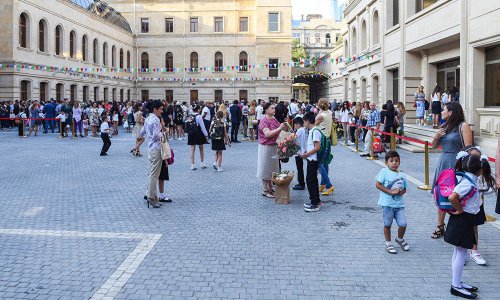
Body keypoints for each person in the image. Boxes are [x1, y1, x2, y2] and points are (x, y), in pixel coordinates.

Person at [444, 154, 491, 299]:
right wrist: (460, 210)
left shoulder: (469, 179)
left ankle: (456, 282)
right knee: (461, 253)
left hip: (464, 220)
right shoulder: (468, 182)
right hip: (463, 219)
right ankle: (456, 286)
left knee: (458, 252)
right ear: (480, 169)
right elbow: (452, 197)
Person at [431, 102, 473, 239]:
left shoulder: (463, 126)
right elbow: (434, 146)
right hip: (443, 162)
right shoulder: (444, 126)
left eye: (444, 110)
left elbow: (469, 148)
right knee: (442, 193)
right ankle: (440, 225)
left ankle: (459, 224)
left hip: (457, 163)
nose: (441, 112)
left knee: (456, 195)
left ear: (451, 112)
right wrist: (437, 136)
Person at [454, 145, 495, 266]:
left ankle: (474, 251)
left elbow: (485, 189)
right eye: (473, 157)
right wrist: (459, 209)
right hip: (464, 207)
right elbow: (454, 195)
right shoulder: (461, 175)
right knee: (462, 229)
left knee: (474, 227)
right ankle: (461, 251)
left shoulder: (479, 173)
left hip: (476, 206)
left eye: (478, 157)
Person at [375, 151, 409, 254]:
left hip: (399, 205)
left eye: (397, 161)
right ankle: (388, 243)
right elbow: (378, 184)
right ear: (386, 163)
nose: (394, 163)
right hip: (387, 205)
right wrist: (390, 191)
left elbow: (405, 189)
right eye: (391, 161)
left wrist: (400, 192)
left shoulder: (402, 175)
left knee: (403, 224)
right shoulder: (384, 172)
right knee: (387, 224)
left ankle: (400, 239)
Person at [139, 100, 165, 209]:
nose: (161, 111)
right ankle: (151, 197)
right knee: (154, 175)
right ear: (155, 109)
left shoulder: (147, 119)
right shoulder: (155, 120)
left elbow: (141, 133)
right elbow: (155, 136)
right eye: (160, 109)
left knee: (151, 173)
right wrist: (164, 132)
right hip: (156, 148)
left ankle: (154, 197)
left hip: (150, 148)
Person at [256, 102, 284, 198]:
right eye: (272, 108)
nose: (274, 110)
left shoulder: (273, 118)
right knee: (265, 168)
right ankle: (265, 189)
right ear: (266, 110)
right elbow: (267, 134)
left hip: (274, 146)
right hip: (266, 147)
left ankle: (270, 188)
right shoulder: (264, 120)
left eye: (274, 108)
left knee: (272, 169)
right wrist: (280, 128)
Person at [300, 112, 322, 212]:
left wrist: (306, 154)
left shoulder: (314, 131)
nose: (303, 123)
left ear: (308, 121)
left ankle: (315, 203)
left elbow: (317, 147)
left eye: (304, 122)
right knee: (312, 180)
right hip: (311, 158)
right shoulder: (312, 130)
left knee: (310, 181)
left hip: (313, 159)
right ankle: (315, 200)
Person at [314, 98, 334, 196]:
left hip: (322, 141)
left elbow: (314, 125)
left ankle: (329, 185)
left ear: (319, 105)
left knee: (320, 164)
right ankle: (322, 184)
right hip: (328, 140)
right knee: (325, 163)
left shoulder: (320, 116)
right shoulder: (329, 113)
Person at [187, 105, 209, 170]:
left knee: (192, 149)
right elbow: (202, 126)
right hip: (198, 132)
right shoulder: (199, 116)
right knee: (201, 148)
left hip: (191, 133)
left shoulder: (190, 115)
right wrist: (206, 135)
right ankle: (202, 163)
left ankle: (192, 164)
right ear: (198, 109)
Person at [292, 117, 306, 190]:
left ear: (298, 124)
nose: (294, 126)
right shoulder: (304, 129)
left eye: (295, 125)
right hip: (303, 150)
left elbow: (294, 140)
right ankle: (301, 182)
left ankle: (301, 183)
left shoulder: (299, 130)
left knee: (299, 168)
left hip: (299, 152)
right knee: (300, 168)